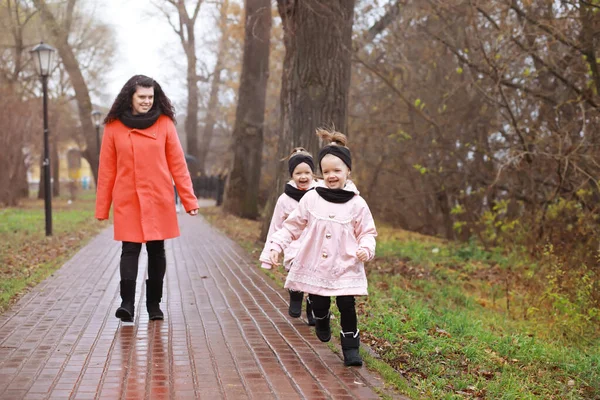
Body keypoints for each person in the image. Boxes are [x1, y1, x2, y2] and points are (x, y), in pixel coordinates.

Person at [268, 128, 377, 366]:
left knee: (347, 304)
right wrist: (276, 246)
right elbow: (291, 226)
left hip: (346, 263)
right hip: (316, 264)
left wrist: (365, 249)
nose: (331, 175)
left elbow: (367, 232)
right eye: (326, 171)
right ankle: (321, 317)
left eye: (337, 170)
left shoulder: (357, 204)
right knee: (318, 301)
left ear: (348, 171)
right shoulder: (311, 198)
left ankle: (351, 348)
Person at [95, 75, 199, 323]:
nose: (146, 101)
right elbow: (106, 169)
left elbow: (178, 165)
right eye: (142, 97)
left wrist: (189, 200)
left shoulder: (165, 124)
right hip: (128, 198)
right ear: (130, 96)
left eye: (150, 97)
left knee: (156, 249)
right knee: (129, 249)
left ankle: (154, 305)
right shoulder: (113, 127)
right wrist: (102, 208)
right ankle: (127, 304)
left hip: (157, 196)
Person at [259, 148, 319, 325]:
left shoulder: (319, 194)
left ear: (313, 174)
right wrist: (270, 254)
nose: (303, 176)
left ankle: (312, 308)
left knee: (315, 277)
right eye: (298, 173)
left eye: (307, 172)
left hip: (315, 242)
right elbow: (276, 227)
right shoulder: (284, 199)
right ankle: (295, 293)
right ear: (291, 175)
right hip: (294, 243)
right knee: (296, 269)